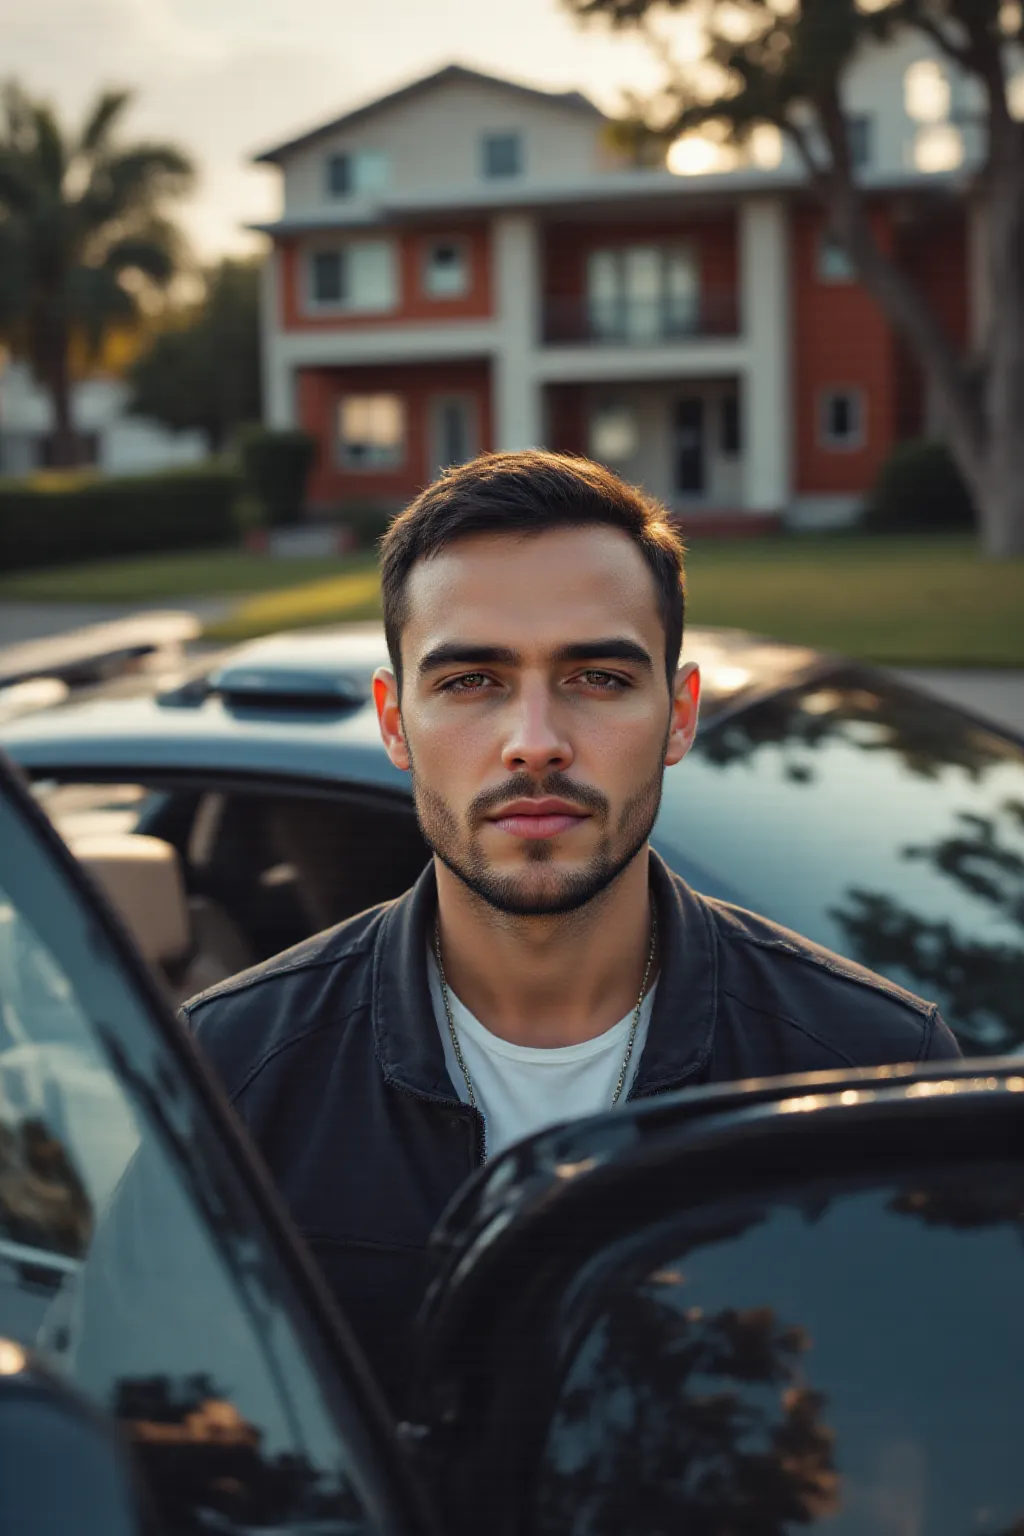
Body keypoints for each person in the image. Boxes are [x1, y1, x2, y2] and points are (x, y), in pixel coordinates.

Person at [183, 450, 960, 1406]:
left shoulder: (874, 1068)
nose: (536, 740)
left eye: (596, 677)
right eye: (472, 680)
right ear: (395, 721)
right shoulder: (228, 1070)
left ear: (678, 715)